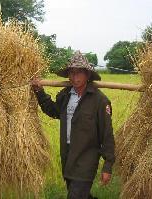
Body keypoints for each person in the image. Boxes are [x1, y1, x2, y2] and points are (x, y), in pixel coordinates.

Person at [31, 51, 115, 199]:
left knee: (75, 195)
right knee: (79, 193)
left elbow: (107, 135)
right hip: (68, 156)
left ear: (87, 75)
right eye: (71, 73)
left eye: (79, 73)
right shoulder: (65, 95)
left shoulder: (100, 101)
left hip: (86, 158)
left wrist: (107, 166)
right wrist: (39, 92)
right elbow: (53, 111)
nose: (74, 77)